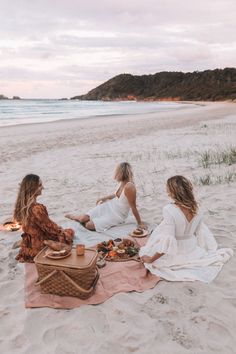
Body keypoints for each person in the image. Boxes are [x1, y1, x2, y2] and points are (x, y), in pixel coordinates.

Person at [140, 175, 233, 283]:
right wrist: (202, 250)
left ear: (173, 192)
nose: (167, 191)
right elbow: (199, 234)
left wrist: (151, 259)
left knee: (148, 251)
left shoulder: (169, 209)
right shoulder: (197, 207)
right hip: (192, 249)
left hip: (175, 252)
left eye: (168, 189)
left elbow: (168, 244)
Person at [66, 162, 146, 232]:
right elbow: (116, 195)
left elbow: (133, 207)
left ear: (121, 173)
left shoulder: (129, 187)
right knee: (83, 218)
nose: (116, 174)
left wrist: (139, 223)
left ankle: (93, 221)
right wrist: (103, 198)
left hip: (117, 215)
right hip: (110, 206)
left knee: (89, 225)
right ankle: (74, 216)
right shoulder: (122, 182)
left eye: (117, 172)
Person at [14, 174, 74, 263]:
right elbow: (50, 228)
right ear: (32, 188)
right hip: (40, 245)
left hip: (29, 242)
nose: (43, 187)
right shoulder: (36, 208)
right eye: (39, 185)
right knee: (69, 232)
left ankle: (24, 242)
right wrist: (60, 230)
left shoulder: (21, 206)